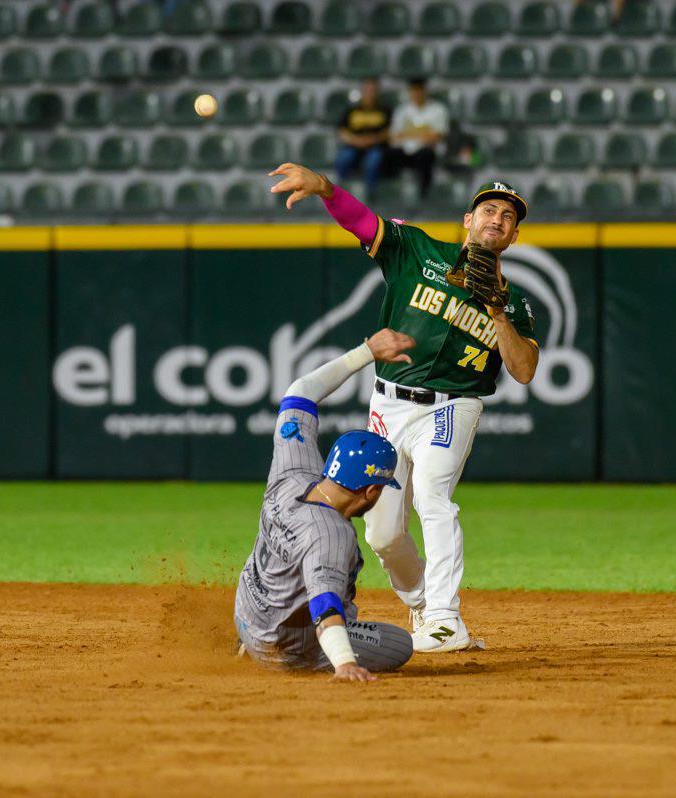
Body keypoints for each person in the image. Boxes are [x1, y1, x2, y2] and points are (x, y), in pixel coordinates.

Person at [269, 163, 540, 653]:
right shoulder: (417, 250)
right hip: (390, 403)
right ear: (468, 219)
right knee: (383, 533)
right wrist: (326, 189)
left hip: (453, 404)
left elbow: (523, 370)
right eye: (489, 210)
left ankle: (443, 618)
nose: (497, 218)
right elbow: (363, 222)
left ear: (514, 236)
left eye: (507, 216)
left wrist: (496, 310)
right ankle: (420, 602)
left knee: (433, 496)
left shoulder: (515, 303)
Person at [235, 328, 418, 681]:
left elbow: (299, 392)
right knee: (399, 644)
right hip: (281, 648)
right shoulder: (331, 535)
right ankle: (299, 659)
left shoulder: (294, 470)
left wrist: (366, 351)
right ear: (370, 491)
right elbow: (324, 605)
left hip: (247, 615)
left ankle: (249, 639)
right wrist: (345, 662)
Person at [389, 79, 448, 200]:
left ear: (425, 91)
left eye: (420, 91)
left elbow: (437, 136)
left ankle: (424, 196)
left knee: (426, 155)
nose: (417, 94)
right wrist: (422, 134)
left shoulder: (437, 109)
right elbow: (394, 135)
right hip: (404, 151)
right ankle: (392, 194)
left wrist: (408, 134)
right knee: (388, 155)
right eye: (414, 91)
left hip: (426, 151)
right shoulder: (402, 111)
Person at [334, 78, 391, 201]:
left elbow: (389, 132)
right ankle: (341, 193)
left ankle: (370, 195)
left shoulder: (384, 110)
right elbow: (342, 132)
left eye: (373, 90)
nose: (370, 93)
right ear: (362, 91)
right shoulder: (352, 110)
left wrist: (372, 140)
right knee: (343, 158)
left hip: (376, 147)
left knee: (374, 160)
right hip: (353, 146)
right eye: (368, 90)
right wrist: (357, 141)